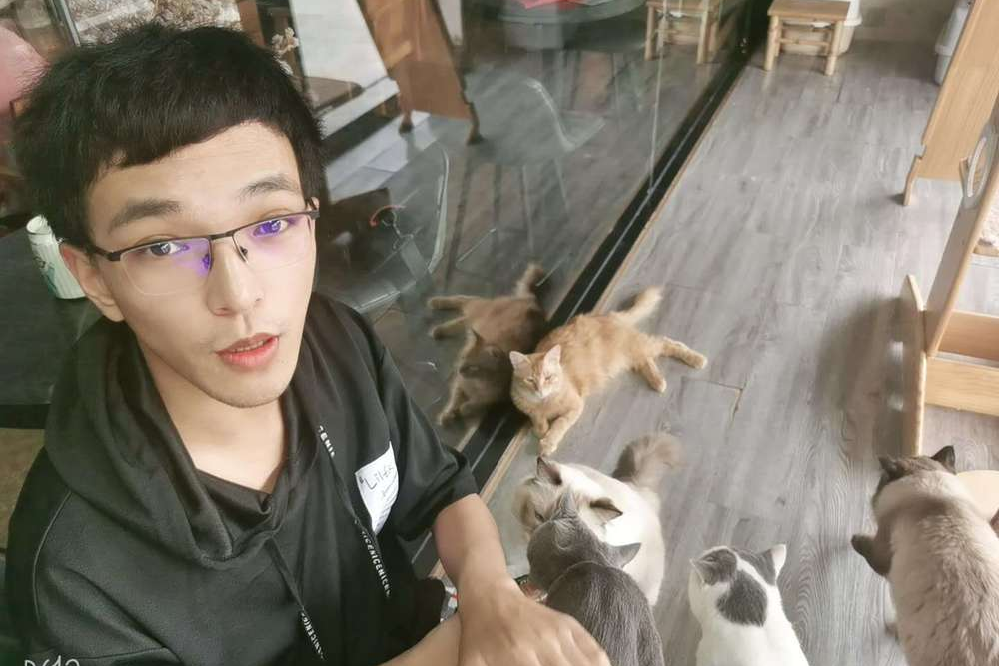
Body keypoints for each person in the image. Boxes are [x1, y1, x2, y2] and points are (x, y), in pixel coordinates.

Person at [5, 23, 609, 666]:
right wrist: (457, 646)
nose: (238, 294)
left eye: (270, 223)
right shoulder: (73, 576)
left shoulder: (336, 342)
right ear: (93, 277)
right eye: (165, 245)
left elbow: (441, 489)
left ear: (312, 216)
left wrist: (492, 596)